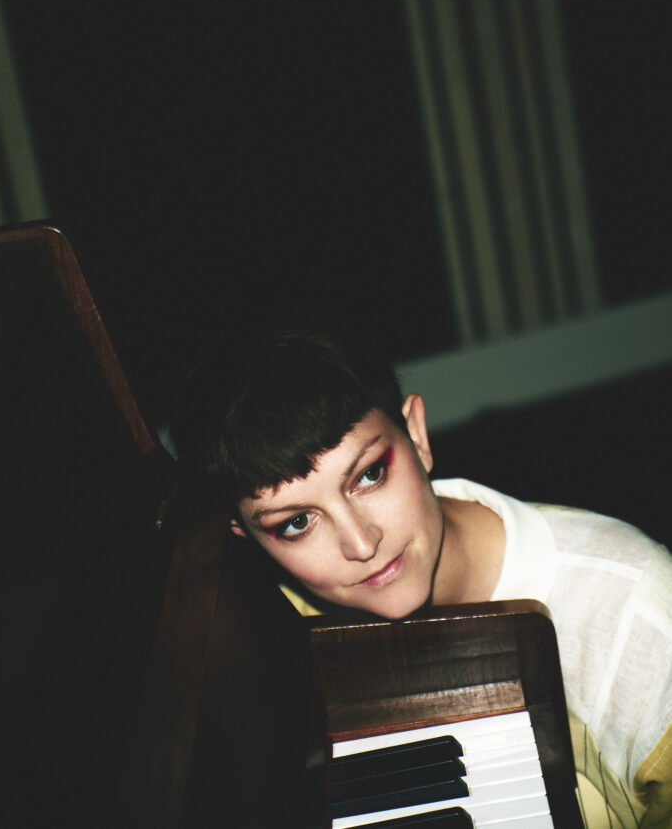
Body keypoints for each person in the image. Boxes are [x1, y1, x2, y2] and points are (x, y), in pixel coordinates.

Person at [171, 328, 672, 829]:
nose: (361, 544)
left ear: (416, 435)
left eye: (369, 475)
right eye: (297, 522)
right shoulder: (265, 626)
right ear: (242, 533)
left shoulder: (640, 612)